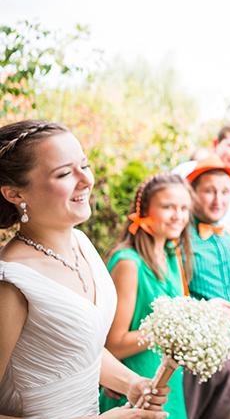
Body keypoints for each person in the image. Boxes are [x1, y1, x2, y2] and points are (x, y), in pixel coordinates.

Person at [0, 119, 169, 419]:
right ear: (15, 194)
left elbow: (76, 350)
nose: (86, 180)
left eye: (85, 165)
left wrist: (132, 383)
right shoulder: (10, 281)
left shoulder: (81, 243)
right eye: (64, 173)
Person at [100, 173, 195, 419]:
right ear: (144, 210)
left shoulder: (173, 254)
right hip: (135, 384)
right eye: (167, 207)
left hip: (168, 384)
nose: (178, 216)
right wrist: (173, 328)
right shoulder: (129, 263)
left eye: (184, 208)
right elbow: (113, 344)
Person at [182, 155, 230, 419]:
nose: (218, 200)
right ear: (193, 193)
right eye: (209, 191)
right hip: (193, 349)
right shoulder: (179, 236)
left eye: (224, 192)